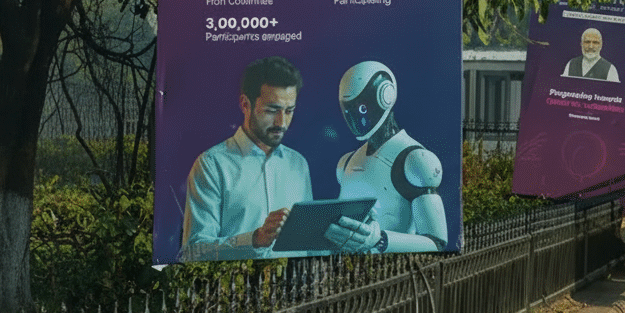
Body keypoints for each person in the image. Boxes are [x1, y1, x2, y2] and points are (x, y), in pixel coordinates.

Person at [181, 56, 316, 261]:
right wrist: (254, 240)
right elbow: (193, 251)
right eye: (272, 110)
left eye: (289, 111)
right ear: (245, 104)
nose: (282, 122)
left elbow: (307, 244)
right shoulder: (212, 166)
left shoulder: (298, 164)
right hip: (235, 290)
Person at [322, 61, 449, 253]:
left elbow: (436, 241)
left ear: (385, 96)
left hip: (394, 272)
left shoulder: (415, 161)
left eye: (362, 108)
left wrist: (380, 240)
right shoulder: (347, 163)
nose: (356, 117)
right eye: (349, 110)